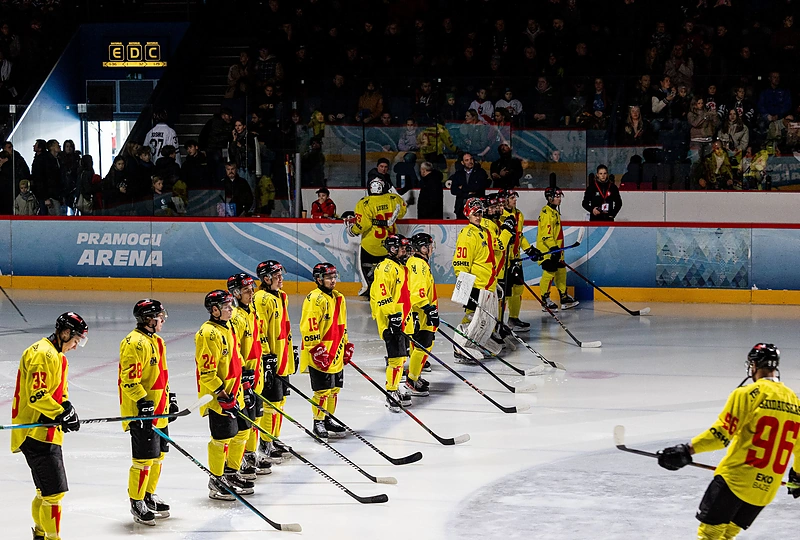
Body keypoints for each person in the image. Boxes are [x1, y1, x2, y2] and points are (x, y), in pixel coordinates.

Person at [657, 344, 800, 539]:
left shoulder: (747, 394)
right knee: (727, 535)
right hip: (766, 489)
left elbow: (720, 436)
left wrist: (686, 450)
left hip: (735, 480)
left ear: (754, 365)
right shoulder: (795, 402)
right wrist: (798, 477)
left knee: (710, 534)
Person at [11, 312, 87, 540]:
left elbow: (57, 393)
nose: (75, 346)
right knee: (54, 494)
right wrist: (59, 413)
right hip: (35, 433)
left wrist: (67, 408)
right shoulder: (42, 354)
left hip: (45, 432)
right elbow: (37, 395)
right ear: (65, 333)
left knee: (44, 492)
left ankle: (40, 534)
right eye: (75, 340)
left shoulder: (57, 356)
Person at [118, 299, 176, 526]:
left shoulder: (158, 341)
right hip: (142, 414)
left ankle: (149, 495)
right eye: (159, 316)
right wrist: (142, 401)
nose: (162, 319)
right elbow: (129, 380)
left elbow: (162, 375)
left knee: (158, 456)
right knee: (143, 460)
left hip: (158, 410)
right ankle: (137, 500)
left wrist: (169, 398)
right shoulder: (133, 343)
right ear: (148, 319)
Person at [195, 290, 255, 501]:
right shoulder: (207, 333)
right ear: (214, 310)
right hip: (220, 398)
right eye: (227, 306)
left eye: (231, 305)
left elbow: (235, 358)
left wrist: (245, 381)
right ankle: (216, 480)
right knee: (221, 439)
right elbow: (207, 372)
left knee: (243, 432)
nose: (231, 309)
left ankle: (231, 473)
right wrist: (221, 393)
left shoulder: (227, 327)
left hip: (235, 392)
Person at [299, 263, 351, 437]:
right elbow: (309, 327)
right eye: (329, 278)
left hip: (336, 350)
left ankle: (328, 418)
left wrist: (346, 344)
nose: (333, 281)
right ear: (319, 279)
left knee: (334, 389)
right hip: (320, 352)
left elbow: (342, 325)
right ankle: (318, 422)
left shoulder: (338, 297)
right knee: (322, 391)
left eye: (334, 277)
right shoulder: (314, 298)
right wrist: (317, 350)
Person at [226, 274, 270, 477]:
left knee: (255, 418)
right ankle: (237, 462)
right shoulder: (235, 318)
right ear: (235, 294)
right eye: (246, 291)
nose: (252, 293)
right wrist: (243, 373)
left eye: (252, 289)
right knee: (243, 426)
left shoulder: (251, 311)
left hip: (256, 375)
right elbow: (234, 350)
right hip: (244, 379)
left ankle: (250, 454)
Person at [254, 261, 297, 458]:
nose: (281, 278)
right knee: (270, 404)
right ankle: (265, 442)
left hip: (282, 359)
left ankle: (274, 438)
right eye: (276, 275)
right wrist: (266, 356)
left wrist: (290, 352)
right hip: (271, 360)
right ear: (266, 278)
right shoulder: (261, 299)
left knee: (279, 402)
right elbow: (259, 330)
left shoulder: (281, 296)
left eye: (281, 274)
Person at [451, 198, 502, 360]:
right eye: (475, 213)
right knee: (472, 317)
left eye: (480, 213)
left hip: (487, 284)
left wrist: (494, 281)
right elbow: (461, 262)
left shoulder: (484, 232)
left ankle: (475, 343)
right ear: (468, 214)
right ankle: (459, 346)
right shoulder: (467, 234)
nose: (478, 216)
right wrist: (465, 288)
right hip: (476, 284)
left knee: (484, 320)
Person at [370, 234, 414, 411]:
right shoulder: (385, 268)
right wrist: (392, 316)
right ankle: (391, 391)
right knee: (395, 359)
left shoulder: (400, 267)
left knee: (402, 357)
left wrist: (409, 316)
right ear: (393, 249)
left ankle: (395, 386)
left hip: (401, 318)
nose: (405, 251)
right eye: (402, 248)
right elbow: (382, 294)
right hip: (391, 320)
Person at [348, 177, 407, 294]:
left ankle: (367, 286)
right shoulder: (393, 199)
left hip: (371, 245)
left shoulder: (364, 203)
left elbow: (363, 224)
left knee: (362, 266)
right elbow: (402, 212)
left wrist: (353, 230)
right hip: (390, 245)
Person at [501, 190, 541, 331]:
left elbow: (519, 236)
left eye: (514, 198)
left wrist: (529, 249)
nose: (514, 200)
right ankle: (498, 322)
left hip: (516, 259)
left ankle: (513, 319)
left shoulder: (519, 215)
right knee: (504, 293)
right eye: (512, 198)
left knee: (518, 289)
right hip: (504, 261)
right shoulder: (499, 215)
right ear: (505, 200)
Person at [405, 233, 438, 395]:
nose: (432, 249)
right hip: (420, 312)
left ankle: (415, 374)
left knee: (420, 344)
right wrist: (428, 309)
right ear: (423, 248)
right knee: (423, 344)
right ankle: (412, 379)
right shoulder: (419, 264)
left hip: (419, 312)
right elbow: (417, 292)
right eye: (429, 246)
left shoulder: (416, 262)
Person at [538, 187, 578, 311]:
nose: (559, 199)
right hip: (547, 251)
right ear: (550, 198)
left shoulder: (554, 212)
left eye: (560, 196)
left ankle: (563, 296)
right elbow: (546, 235)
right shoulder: (546, 213)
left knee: (561, 271)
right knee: (549, 272)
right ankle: (545, 299)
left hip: (557, 250)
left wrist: (558, 250)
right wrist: (553, 248)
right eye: (557, 196)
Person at [449, 152, 490, 219]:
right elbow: (453, 190)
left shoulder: (480, 172)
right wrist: (468, 192)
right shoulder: (458, 174)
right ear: (462, 162)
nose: (470, 162)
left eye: (471, 159)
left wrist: (462, 188)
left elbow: (478, 187)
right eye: (467, 160)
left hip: (477, 208)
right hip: (460, 208)